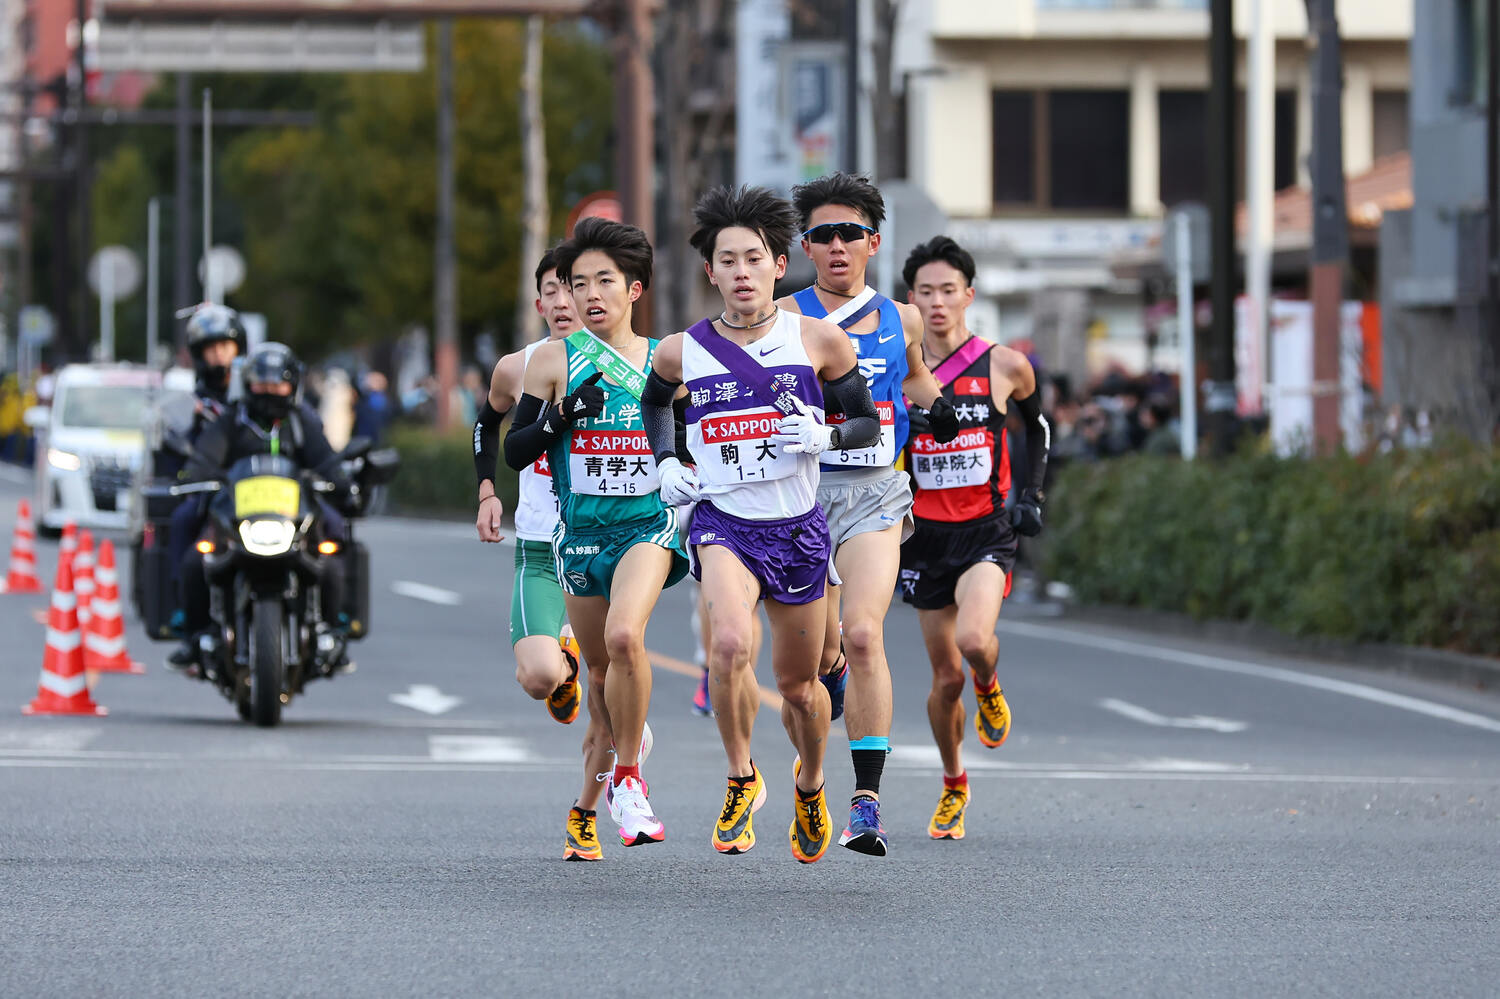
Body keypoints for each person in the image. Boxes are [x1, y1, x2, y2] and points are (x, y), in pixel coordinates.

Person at [641, 185, 880, 862]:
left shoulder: (817, 340)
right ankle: (742, 776)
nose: (741, 271)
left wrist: (825, 437)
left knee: (802, 689)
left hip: (799, 531)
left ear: (780, 264)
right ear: (710, 272)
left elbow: (865, 420)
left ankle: (809, 782)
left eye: (755, 257)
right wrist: (665, 462)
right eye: (728, 260)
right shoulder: (681, 350)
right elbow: (654, 402)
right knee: (725, 648)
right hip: (725, 522)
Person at [776, 172, 960, 856]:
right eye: (822, 235)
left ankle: (867, 803)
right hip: (798, 496)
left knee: (861, 634)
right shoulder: (783, 317)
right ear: (805, 247)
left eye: (849, 233)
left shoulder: (900, 315)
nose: (836, 246)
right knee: (812, 668)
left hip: (877, 491)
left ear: (873, 243)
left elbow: (912, 374)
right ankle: (811, 776)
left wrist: (933, 404)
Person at [504, 217, 689, 848]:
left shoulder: (668, 357)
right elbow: (517, 447)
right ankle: (590, 800)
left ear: (634, 289)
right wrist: (561, 419)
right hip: (580, 534)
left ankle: (630, 779)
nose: (588, 295)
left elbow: (693, 434)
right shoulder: (553, 361)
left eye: (604, 281)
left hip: (648, 526)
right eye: (577, 283)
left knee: (623, 636)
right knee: (603, 678)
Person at [899, 236, 1048, 841]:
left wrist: (1031, 497)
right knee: (943, 680)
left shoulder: (1005, 366)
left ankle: (991, 684)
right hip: (923, 538)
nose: (938, 303)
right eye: (926, 292)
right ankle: (954, 783)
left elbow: (1038, 430)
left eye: (948, 291)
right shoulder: (898, 371)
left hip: (986, 531)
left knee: (974, 640)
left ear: (969, 295)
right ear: (911, 299)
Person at [474, 247, 620, 861]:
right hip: (541, 548)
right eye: (552, 292)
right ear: (539, 303)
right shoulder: (522, 366)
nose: (564, 302)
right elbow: (489, 426)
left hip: (611, 543)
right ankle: (560, 663)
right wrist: (486, 490)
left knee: (611, 688)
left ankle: (585, 811)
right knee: (538, 677)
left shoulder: (632, 363)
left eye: (575, 288)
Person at [176, 343, 355, 668]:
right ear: (248, 384)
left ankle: (330, 632)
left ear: (293, 385)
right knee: (195, 561)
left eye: (278, 383)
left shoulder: (302, 422)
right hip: (238, 516)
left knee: (331, 552)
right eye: (262, 383)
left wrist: (341, 481)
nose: (270, 390)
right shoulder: (232, 421)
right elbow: (205, 457)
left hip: (295, 515)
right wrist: (198, 474)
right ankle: (196, 637)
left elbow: (326, 460)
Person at [167, 304, 248, 666]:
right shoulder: (192, 400)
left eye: (225, 346)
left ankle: (332, 615)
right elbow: (178, 440)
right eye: (210, 348)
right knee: (185, 522)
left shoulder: (258, 392)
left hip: (268, 486)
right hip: (217, 488)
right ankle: (186, 613)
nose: (219, 355)